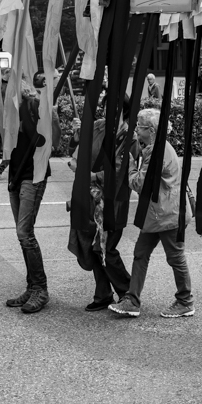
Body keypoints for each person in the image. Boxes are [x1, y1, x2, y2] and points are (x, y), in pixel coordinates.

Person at [109, 107, 194, 318]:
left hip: (168, 214)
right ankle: (132, 300)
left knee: (175, 257)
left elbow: (139, 184)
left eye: (140, 125)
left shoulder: (158, 152)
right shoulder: (156, 147)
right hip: (158, 214)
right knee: (141, 254)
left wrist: (129, 166)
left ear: (152, 130)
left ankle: (186, 301)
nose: (135, 129)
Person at [72, 95, 134, 311]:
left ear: (124, 111)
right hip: (92, 196)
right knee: (94, 246)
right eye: (107, 108)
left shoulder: (129, 136)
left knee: (105, 247)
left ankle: (128, 292)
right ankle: (103, 294)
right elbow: (81, 146)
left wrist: (93, 176)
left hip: (114, 199)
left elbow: (120, 169)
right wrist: (78, 131)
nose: (109, 113)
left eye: (114, 109)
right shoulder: (98, 126)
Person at [4, 87, 53, 314]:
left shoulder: (31, 107)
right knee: (22, 234)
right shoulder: (4, 111)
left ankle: (40, 289)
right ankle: (32, 286)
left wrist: (27, 115)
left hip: (34, 174)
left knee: (25, 233)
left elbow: (45, 140)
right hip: (15, 176)